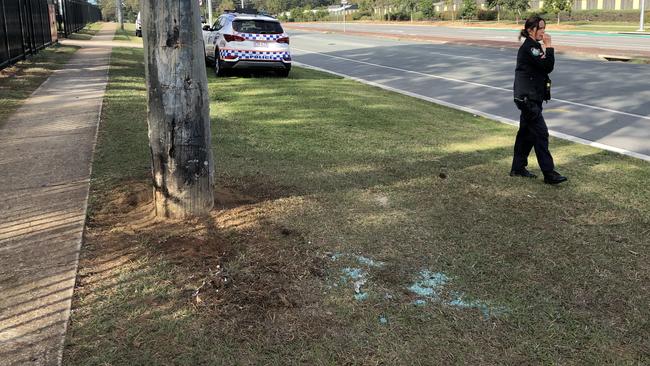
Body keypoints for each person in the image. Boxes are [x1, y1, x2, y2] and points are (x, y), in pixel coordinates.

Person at [511, 16, 567, 185]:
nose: (543, 31)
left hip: (530, 97)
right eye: (540, 28)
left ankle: (518, 168)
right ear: (530, 30)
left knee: (526, 135)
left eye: (544, 27)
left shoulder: (534, 46)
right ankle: (549, 173)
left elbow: (542, 69)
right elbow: (547, 67)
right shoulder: (531, 47)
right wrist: (549, 47)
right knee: (541, 134)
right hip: (528, 99)